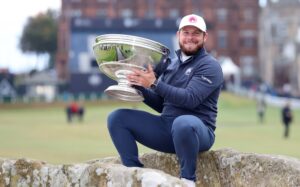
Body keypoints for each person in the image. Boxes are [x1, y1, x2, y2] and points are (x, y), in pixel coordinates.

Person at [107, 14, 223, 186]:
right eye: (186, 32)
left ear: (204, 37)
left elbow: (190, 99)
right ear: (178, 35)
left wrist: (153, 84)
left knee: (183, 123)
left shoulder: (210, 66)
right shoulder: (171, 64)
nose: (190, 37)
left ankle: (187, 180)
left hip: (197, 132)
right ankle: (134, 175)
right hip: (166, 128)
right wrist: (139, 86)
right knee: (117, 118)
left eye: (196, 33)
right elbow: (162, 105)